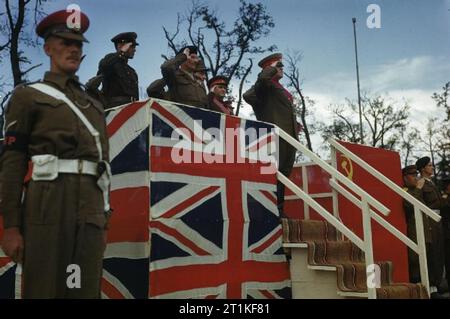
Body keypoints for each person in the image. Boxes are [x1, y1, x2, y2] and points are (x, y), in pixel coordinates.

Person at [0, 9, 111, 298]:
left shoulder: (94, 106)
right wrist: (11, 226)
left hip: (90, 211)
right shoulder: (28, 96)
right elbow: (12, 163)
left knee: (83, 291)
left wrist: (104, 219)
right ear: (48, 47)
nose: (73, 49)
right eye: (64, 42)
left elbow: (104, 168)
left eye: (78, 44)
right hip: (47, 206)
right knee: (45, 290)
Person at [244, 53, 299, 217]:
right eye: (278, 65)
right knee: (275, 172)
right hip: (276, 135)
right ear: (269, 69)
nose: (282, 68)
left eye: (281, 66)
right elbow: (249, 94)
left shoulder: (279, 88)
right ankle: (271, 210)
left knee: (284, 173)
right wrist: (268, 70)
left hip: (289, 136)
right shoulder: (265, 86)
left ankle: (279, 210)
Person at [415, 156, 447, 298]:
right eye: (429, 165)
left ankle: (438, 282)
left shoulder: (432, 183)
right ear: (423, 168)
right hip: (429, 222)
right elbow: (419, 203)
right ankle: (432, 286)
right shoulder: (420, 183)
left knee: (439, 251)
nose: (432, 167)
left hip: (438, 221)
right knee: (432, 252)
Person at [96, 32, 139, 108]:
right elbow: (104, 65)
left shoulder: (132, 71)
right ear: (121, 46)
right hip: (115, 110)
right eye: (132, 46)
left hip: (132, 108)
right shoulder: (110, 61)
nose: (134, 50)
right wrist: (121, 52)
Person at [402, 165, 424, 283]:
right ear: (405, 178)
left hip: (425, 229)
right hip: (414, 230)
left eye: (417, 175)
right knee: (415, 261)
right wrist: (418, 189)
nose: (416, 178)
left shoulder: (417, 190)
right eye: (413, 175)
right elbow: (409, 204)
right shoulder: (406, 191)